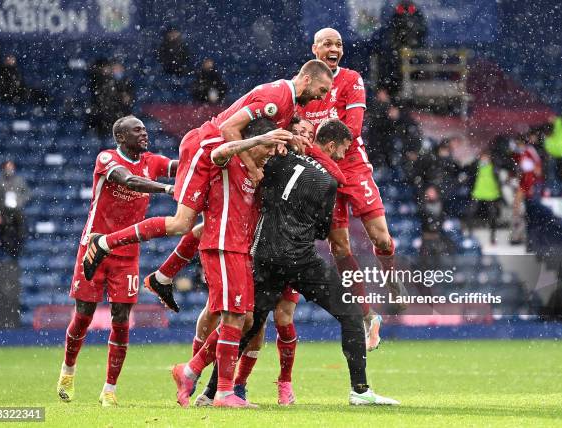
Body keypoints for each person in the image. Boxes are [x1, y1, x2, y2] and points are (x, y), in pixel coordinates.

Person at [81, 59, 333, 281]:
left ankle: (164, 277)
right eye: (321, 90)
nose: (321, 97)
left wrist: (290, 139)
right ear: (307, 79)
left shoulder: (289, 103)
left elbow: (258, 134)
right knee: (181, 223)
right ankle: (105, 242)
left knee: (219, 223)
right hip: (204, 150)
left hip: (225, 159)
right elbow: (229, 130)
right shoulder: (276, 97)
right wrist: (253, 170)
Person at [239, 119, 399, 405]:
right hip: (298, 258)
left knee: (253, 322)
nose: (343, 156)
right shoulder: (327, 180)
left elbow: (262, 193)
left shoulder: (279, 160)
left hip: (264, 253)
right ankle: (360, 391)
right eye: (342, 150)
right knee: (350, 312)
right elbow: (322, 230)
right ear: (330, 145)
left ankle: (214, 387)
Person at [56, 115, 179, 407]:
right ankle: (68, 370)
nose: (144, 133)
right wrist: (166, 189)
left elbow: (178, 167)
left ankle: (109, 389)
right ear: (121, 137)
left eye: (145, 129)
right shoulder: (106, 158)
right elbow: (128, 180)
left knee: (121, 321)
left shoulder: (152, 161)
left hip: (127, 254)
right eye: (137, 130)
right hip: (94, 247)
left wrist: (203, 159)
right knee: (83, 315)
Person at [171, 119, 292, 408]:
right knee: (233, 317)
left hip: (240, 250)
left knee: (248, 320)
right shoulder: (229, 158)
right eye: (267, 146)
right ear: (254, 139)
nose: (269, 153)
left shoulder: (256, 173)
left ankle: (189, 371)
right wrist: (255, 141)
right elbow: (218, 153)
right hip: (222, 245)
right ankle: (224, 392)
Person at [298, 27, 394, 351]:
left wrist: (314, 139)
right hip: (322, 172)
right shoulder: (304, 84)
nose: (334, 47)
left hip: (351, 165)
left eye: (338, 43)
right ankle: (369, 316)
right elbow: (296, 131)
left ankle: (391, 281)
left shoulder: (351, 79)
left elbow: (350, 130)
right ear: (314, 49)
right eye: (327, 43)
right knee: (339, 248)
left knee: (381, 237)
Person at [0, 160, 31, 258]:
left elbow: (27, 193)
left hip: (17, 210)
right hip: (5, 211)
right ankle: (7, 252)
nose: (9, 169)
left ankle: (18, 251)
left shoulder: (19, 180)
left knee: (20, 231)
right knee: (6, 233)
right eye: (7, 167)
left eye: (11, 167)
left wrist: (20, 200)